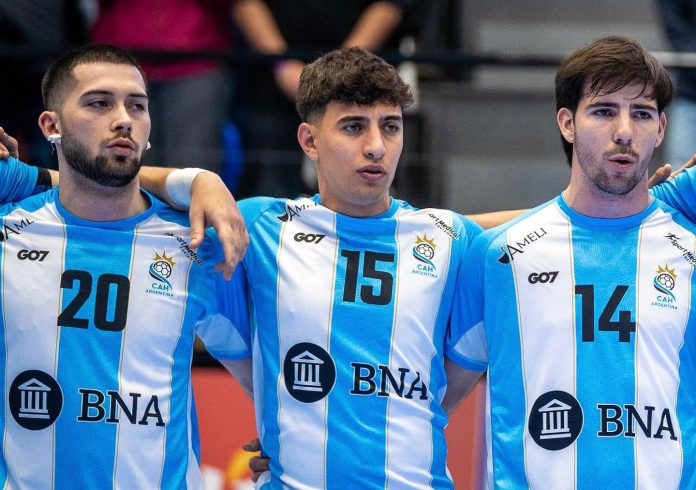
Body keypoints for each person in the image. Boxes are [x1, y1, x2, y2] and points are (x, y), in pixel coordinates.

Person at [445, 36, 696, 488]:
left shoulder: (689, 253)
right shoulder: (499, 256)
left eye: (641, 114)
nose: (624, 131)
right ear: (567, 123)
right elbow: (422, 406)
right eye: (604, 111)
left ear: (661, 129)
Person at [0, 44, 251, 488]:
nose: (123, 120)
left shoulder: (196, 243)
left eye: (137, 106)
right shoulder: (8, 232)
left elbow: (260, 370)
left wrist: (287, 440)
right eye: (99, 103)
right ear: (51, 126)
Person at [232, 0, 407, 197]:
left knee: (362, 194)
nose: (376, 148)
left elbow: (391, 5)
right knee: (270, 188)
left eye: (391, 127)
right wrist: (281, 63)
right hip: (270, 84)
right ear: (309, 141)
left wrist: (345, 68)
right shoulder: (255, 211)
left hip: (362, 80)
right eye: (353, 127)